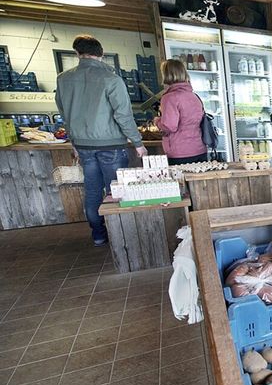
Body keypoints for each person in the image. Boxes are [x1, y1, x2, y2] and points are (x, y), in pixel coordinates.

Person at [55, 35, 146, 247]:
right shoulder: (111, 79)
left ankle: (98, 235)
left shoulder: (63, 79)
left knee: (93, 191)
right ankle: (119, 237)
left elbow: (64, 114)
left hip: (83, 146)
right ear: (102, 54)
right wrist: (138, 143)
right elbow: (123, 115)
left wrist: (74, 143)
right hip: (111, 144)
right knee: (115, 190)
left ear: (77, 54)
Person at [153, 59, 207, 165]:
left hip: (180, 152)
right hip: (199, 149)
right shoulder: (194, 96)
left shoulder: (169, 97)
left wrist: (157, 121)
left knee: (181, 181)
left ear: (166, 74)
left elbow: (170, 126)